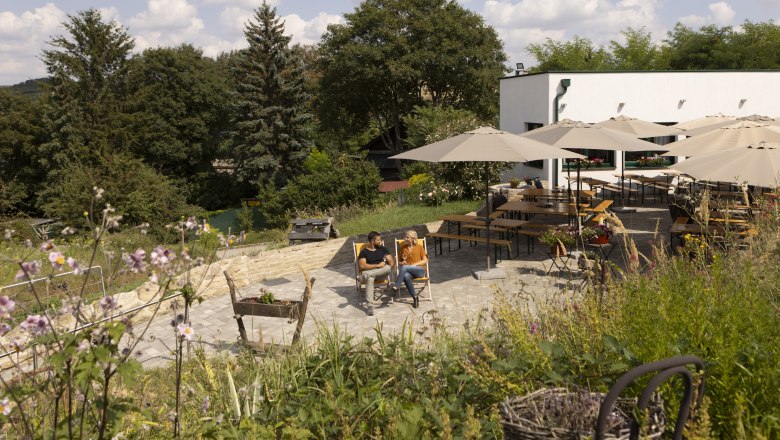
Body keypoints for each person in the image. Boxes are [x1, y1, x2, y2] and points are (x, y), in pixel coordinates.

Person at [358, 231, 394, 316]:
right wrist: (377, 265)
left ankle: (365, 276)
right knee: (370, 279)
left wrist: (384, 265)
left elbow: (391, 263)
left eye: (380, 240)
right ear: (372, 241)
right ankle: (370, 306)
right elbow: (362, 266)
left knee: (388, 268)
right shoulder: (364, 252)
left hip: (382, 274)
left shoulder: (383, 249)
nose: (380, 241)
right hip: (372, 274)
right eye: (378, 240)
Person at [391, 230, 428, 308]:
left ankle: (396, 287)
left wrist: (414, 265)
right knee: (406, 276)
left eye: (407, 237)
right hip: (409, 271)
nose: (405, 239)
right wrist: (402, 263)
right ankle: (415, 297)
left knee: (404, 268)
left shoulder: (419, 247)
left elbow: (425, 260)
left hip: (420, 270)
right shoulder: (403, 249)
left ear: (413, 238)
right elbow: (399, 262)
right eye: (405, 237)